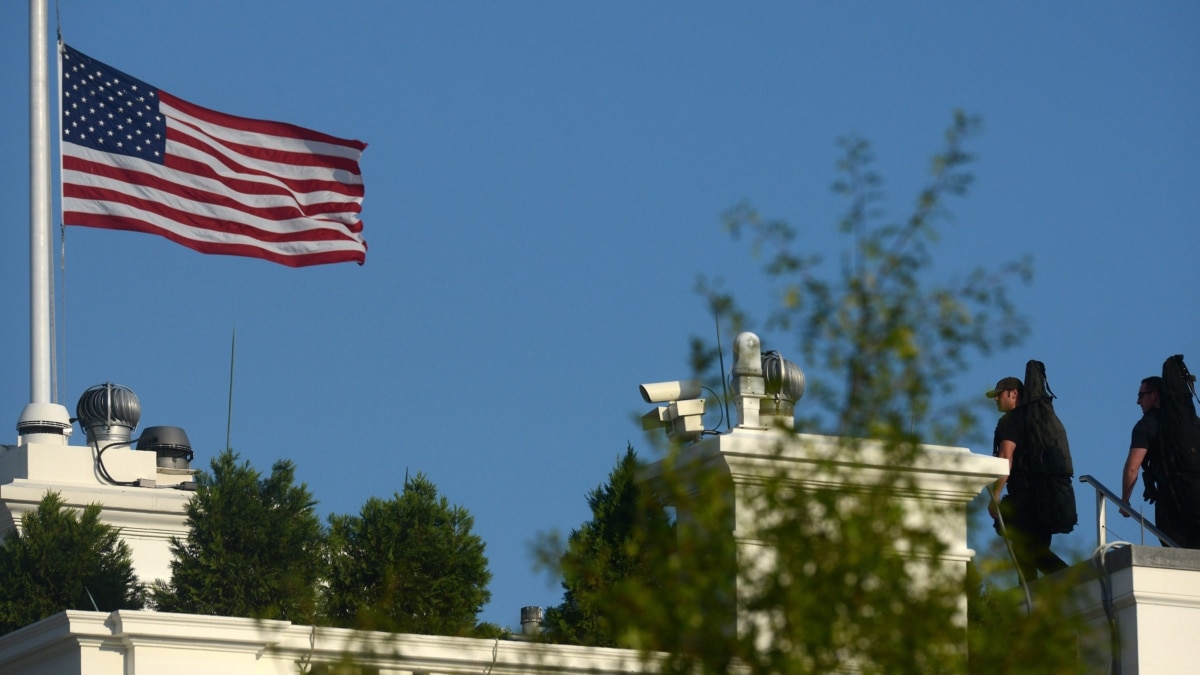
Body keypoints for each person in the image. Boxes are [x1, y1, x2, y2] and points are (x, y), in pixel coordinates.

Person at [986, 376, 1068, 580]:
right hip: (1047, 496)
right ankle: (1034, 596)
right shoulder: (1035, 421)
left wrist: (995, 494)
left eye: (999, 394)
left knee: (1028, 551)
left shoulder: (1010, 421)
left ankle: (1070, 579)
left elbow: (1006, 458)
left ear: (1013, 393)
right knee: (1028, 550)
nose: (996, 399)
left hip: (1025, 498)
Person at [1122, 374, 1200, 547]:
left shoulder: (1147, 424)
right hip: (1196, 497)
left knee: (1178, 561)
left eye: (1141, 395)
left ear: (1155, 395)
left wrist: (1124, 501)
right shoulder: (1192, 423)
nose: (1138, 401)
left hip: (1171, 505)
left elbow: (1132, 468)